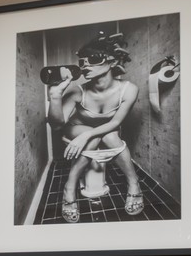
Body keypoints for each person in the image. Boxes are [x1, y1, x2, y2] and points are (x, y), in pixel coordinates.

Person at [45, 32, 142, 221]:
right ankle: (70, 187)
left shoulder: (129, 90)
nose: (86, 65)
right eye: (82, 62)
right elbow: (57, 126)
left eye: (94, 59)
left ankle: (134, 184)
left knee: (110, 136)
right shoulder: (77, 90)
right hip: (76, 128)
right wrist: (55, 96)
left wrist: (86, 137)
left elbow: (115, 123)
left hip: (104, 132)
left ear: (112, 62)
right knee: (96, 134)